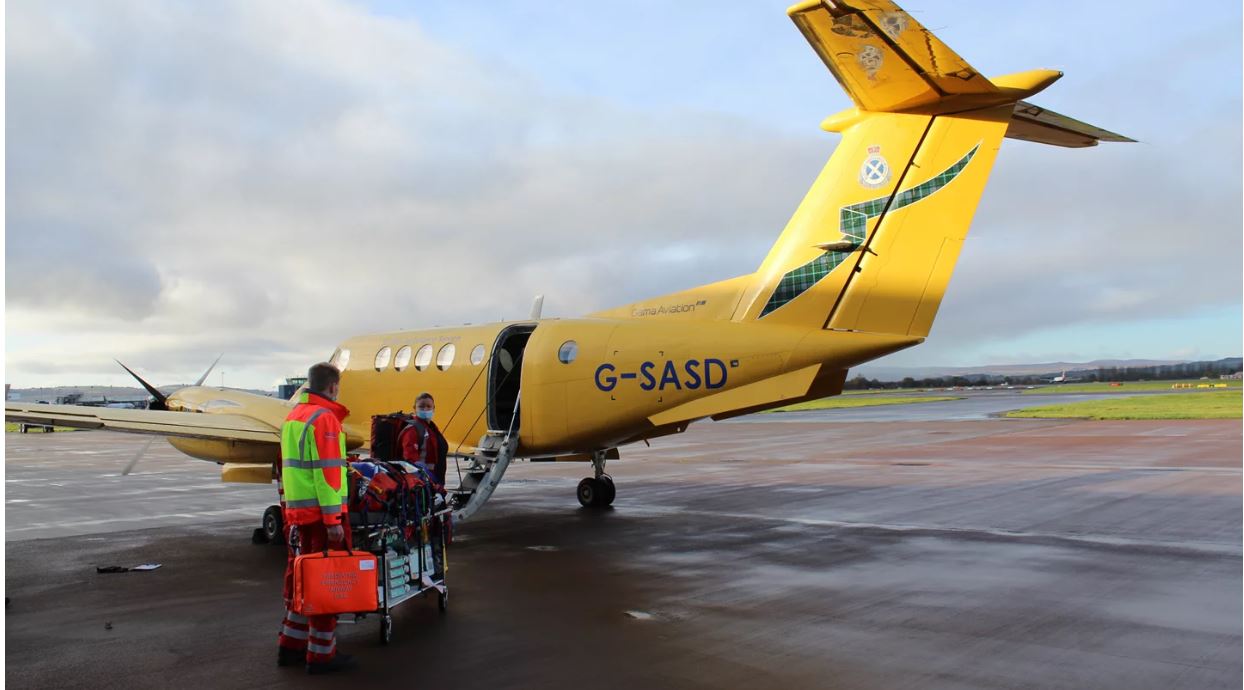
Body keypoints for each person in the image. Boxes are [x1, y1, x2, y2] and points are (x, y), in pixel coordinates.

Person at [276, 362, 357, 674]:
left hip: (298, 515)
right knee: (327, 587)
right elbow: (328, 476)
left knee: (302, 582)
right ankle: (321, 655)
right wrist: (333, 519)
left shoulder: (294, 417)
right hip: (321, 519)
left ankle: (290, 645)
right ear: (333, 386)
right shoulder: (325, 420)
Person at [398, 392, 448, 490]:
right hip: (425, 482)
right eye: (421, 406)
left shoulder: (431, 427)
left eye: (429, 406)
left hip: (436, 480)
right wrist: (430, 482)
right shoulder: (412, 430)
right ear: (414, 408)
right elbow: (411, 462)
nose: (425, 409)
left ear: (434, 408)